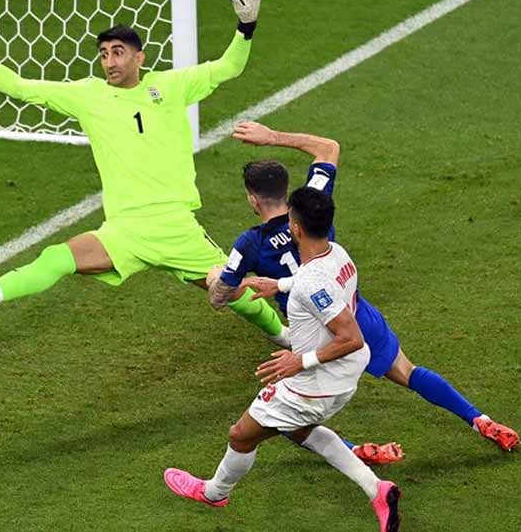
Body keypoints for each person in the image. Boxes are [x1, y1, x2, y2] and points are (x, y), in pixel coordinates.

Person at [0, 0, 289, 346]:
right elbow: (20, 87)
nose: (110, 62)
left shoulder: (172, 85)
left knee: (232, 290)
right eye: (103, 54)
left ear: (140, 57)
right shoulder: (88, 95)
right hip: (124, 230)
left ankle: (284, 335)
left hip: (176, 228)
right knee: (59, 257)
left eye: (118, 52)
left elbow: (230, 66)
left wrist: (246, 26)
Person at [207, 121, 518, 455]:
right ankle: (480, 420)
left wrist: (218, 279)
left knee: (281, 417)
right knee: (409, 372)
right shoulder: (313, 204)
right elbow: (328, 147)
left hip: (313, 337)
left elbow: (221, 297)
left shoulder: (250, 243)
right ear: (285, 191)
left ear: (253, 200)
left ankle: (355, 452)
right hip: (352, 313)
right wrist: (272, 138)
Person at [165, 187, 401, 532]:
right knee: (298, 430)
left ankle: (214, 493)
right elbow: (315, 287)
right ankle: (377, 489)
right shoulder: (337, 253)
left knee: (241, 435)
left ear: (296, 228)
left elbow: (351, 338)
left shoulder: (311, 282)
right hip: (344, 376)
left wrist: (299, 362)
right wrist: (280, 284)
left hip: (314, 383)